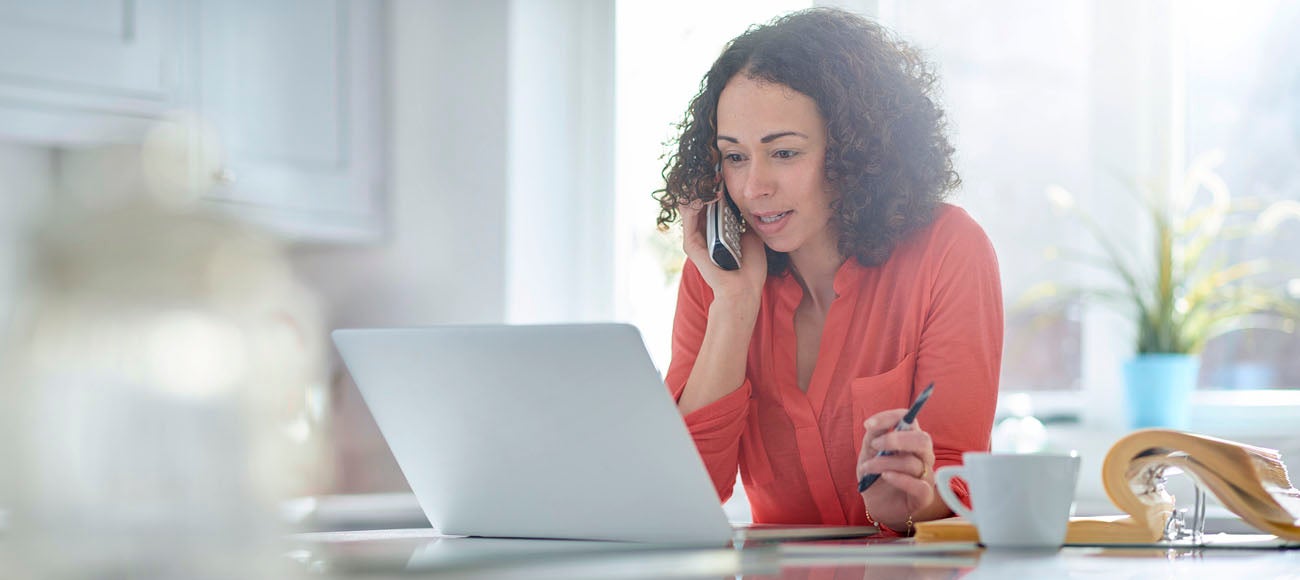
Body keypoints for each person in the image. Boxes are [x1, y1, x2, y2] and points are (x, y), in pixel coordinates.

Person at [653, 8, 1002, 536]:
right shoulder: (717, 277)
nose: (754, 188)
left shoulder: (948, 251)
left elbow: (960, 481)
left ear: (856, 153)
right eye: (735, 157)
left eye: (784, 152)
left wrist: (908, 499)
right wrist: (736, 307)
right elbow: (680, 495)